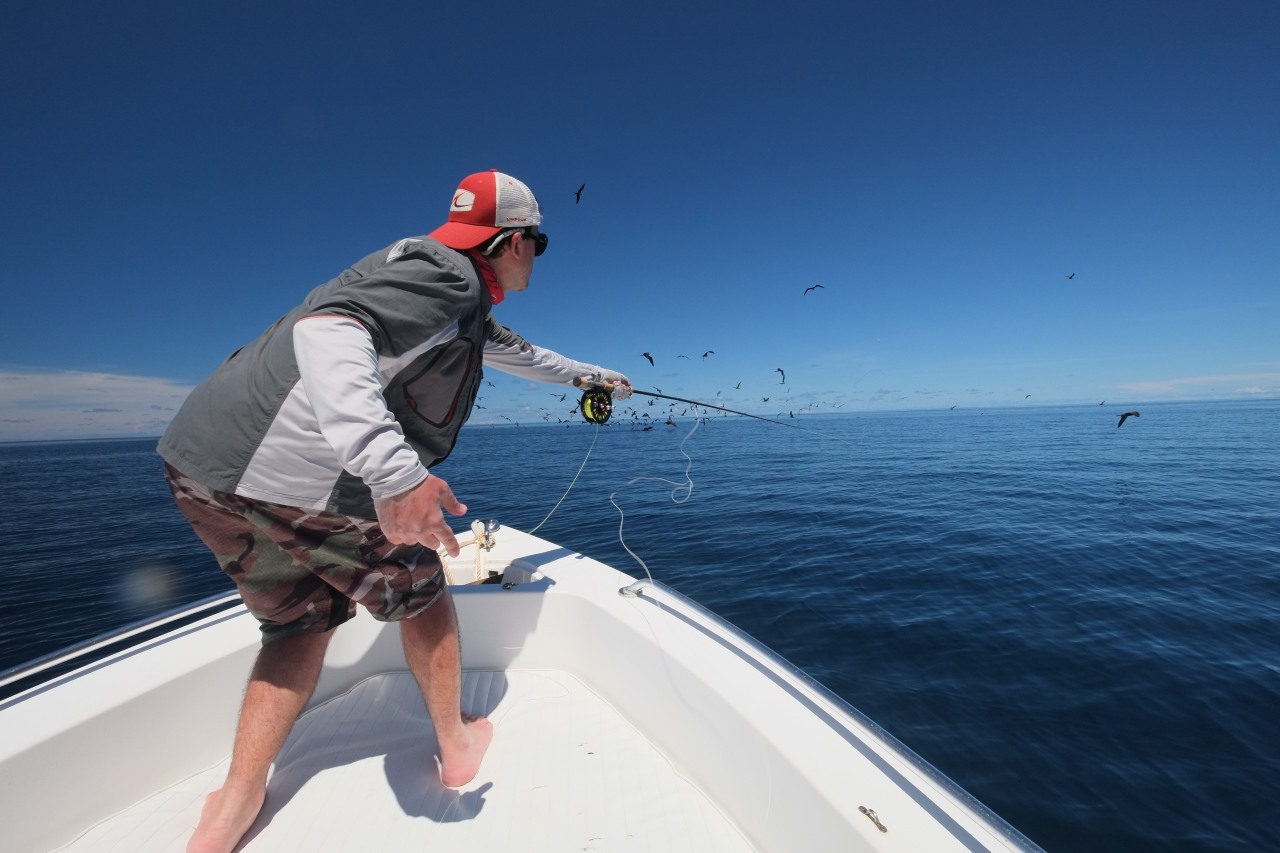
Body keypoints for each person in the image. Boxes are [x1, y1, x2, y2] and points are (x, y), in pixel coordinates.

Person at [157, 170, 631, 853]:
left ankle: (236, 800)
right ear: (512, 242)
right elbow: (330, 330)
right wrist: (395, 473)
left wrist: (595, 376)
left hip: (202, 470)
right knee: (423, 588)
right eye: (539, 242)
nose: (537, 255)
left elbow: (522, 356)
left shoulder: (452, 301)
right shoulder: (447, 277)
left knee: (296, 622)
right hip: (297, 481)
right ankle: (456, 743)